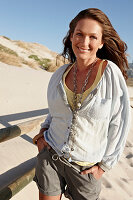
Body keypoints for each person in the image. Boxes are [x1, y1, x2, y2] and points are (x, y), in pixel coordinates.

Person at [33, 8, 131, 200]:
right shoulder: (59, 74)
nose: (84, 42)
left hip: (86, 170)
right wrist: (42, 134)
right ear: (71, 37)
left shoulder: (110, 74)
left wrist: (104, 166)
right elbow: (55, 111)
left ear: (102, 42)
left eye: (92, 37)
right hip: (50, 158)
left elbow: (120, 123)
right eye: (79, 34)